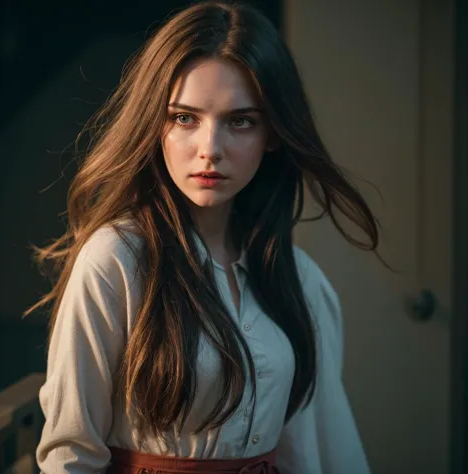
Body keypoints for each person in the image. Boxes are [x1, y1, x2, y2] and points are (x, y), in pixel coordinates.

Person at [26, 2, 378, 473]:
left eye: (240, 121)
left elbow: (320, 444)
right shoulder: (117, 260)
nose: (210, 150)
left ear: (272, 133)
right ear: (156, 124)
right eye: (185, 118)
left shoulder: (299, 280)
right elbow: (71, 454)